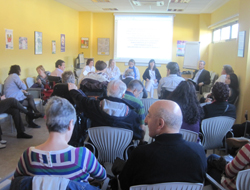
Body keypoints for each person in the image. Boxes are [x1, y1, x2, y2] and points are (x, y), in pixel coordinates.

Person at [14, 97, 107, 185]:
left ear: (47, 125)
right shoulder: (83, 156)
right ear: (71, 124)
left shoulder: (28, 156)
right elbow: (102, 176)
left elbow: (17, 180)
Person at [119, 100, 207, 190]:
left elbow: (123, 184)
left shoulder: (140, 154)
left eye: (149, 115)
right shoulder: (198, 152)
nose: (145, 120)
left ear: (160, 123)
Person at [69, 80, 144, 140]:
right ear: (123, 95)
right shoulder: (133, 115)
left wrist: (73, 90)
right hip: (122, 154)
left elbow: (81, 99)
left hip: (96, 150)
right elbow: (138, 135)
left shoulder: (93, 105)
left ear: (107, 92)